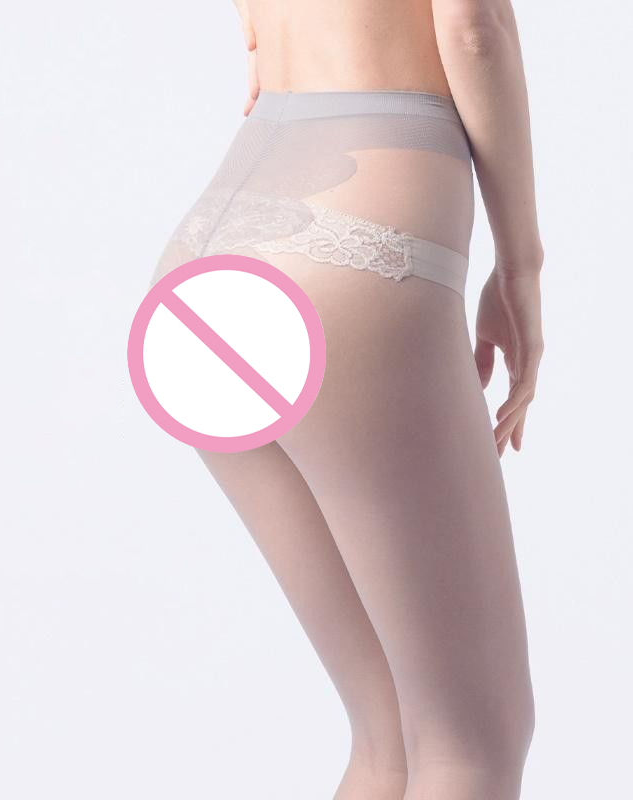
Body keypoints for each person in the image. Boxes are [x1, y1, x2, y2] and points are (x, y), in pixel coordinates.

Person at [151, 1, 544, 798]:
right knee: (471, 744)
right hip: (354, 243)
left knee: (389, 738)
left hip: (208, 250)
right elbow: (473, 29)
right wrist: (520, 266)